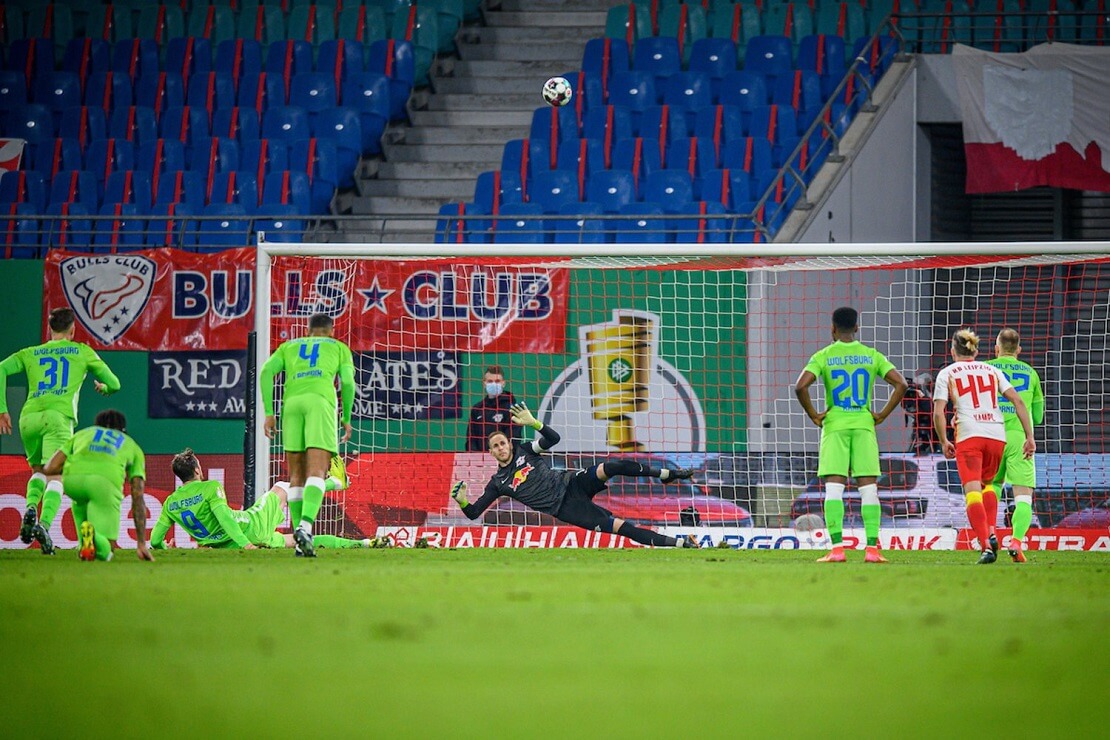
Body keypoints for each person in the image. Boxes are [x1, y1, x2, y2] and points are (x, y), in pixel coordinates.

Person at [450, 402, 700, 548]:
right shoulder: (498, 483)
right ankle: (680, 544)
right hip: (567, 508)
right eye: (495, 446)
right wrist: (461, 500)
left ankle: (666, 474)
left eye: (502, 443)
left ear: (509, 444)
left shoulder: (525, 450)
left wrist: (535, 423)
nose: (500, 448)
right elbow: (473, 513)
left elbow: (553, 439)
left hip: (572, 483)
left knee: (611, 466)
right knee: (623, 528)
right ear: (491, 453)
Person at [0, 307, 121, 555]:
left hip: (27, 418)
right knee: (57, 477)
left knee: (37, 471)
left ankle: (31, 506)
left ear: (49, 329)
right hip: (58, 418)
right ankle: (43, 525)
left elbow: (1, 368)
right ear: (73, 330)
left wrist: (2, 409)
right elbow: (115, 383)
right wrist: (105, 389)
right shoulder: (82, 352)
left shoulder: (31, 353)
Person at [794, 306, 908, 564]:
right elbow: (901, 383)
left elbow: (800, 386)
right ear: (857, 328)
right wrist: (882, 415)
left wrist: (814, 414)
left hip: (835, 425)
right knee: (869, 490)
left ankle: (836, 550)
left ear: (832, 328)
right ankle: (872, 551)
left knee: (834, 489)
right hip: (863, 423)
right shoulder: (870, 355)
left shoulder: (823, 355)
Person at [932, 329, 1035, 564]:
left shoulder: (947, 372)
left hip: (970, 435)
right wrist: (1029, 436)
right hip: (997, 436)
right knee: (988, 485)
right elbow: (1018, 401)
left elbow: (939, 411)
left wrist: (943, 440)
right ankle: (991, 531)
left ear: (952, 351)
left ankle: (986, 546)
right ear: (976, 351)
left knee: (972, 492)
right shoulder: (992, 370)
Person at [260, 312, 356, 558]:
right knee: (317, 471)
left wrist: (269, 413)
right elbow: (347, 382)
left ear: (307, 331)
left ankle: (302, 540)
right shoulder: (338, 347)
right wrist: (346, 417)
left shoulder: (289, 346)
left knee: (296, 475)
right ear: (331, 331)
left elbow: (266, 372)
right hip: (319, 404)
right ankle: (305, 527)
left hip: (290, 406)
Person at [150, 448, 376, 550]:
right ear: (197, 470)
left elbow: (154, 539)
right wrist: (245, 544)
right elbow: (225, 519)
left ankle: (362, 544)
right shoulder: (210, 487)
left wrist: (162, 547)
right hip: (249, 527)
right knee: (282, 488)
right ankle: (335, 483)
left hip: (223, 547)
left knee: (297, 540)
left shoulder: (171, 502)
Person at [43, 409, 151, 562]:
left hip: (73, 482)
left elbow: (50, 468)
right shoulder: (132, 446)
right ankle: (93, 535)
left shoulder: (83, 434)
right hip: (104, 485)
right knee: (107, 548)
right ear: (123, 429)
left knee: (87, 550)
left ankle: (86, 542)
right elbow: (137, 497)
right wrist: (141, 543)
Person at [984, 328, 1044, 563]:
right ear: (1019, 350)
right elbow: (1037, 417)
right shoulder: (1031, 373)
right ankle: (1017, 541)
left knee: (991, 486)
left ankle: (990, 535)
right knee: (1023, 496)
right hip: (1020, 438)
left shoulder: (985, 368)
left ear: (996, 348)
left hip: (991, 435)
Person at [465, 365, 522, 452]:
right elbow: (471, 439)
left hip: (504, 459)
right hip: (480, 460)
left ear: (503, 383)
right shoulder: (477, 409)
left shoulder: (512, 409)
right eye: (490, 381)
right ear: (484, 383)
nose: (494, 384)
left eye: (497, 381)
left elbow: (514, 439)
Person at [901, 372, 943, 455]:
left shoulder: (938, 396)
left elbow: (931, 410)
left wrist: (923, 398)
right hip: (919, 424)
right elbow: (907, 407)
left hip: (934, 427)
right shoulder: (917, 396)